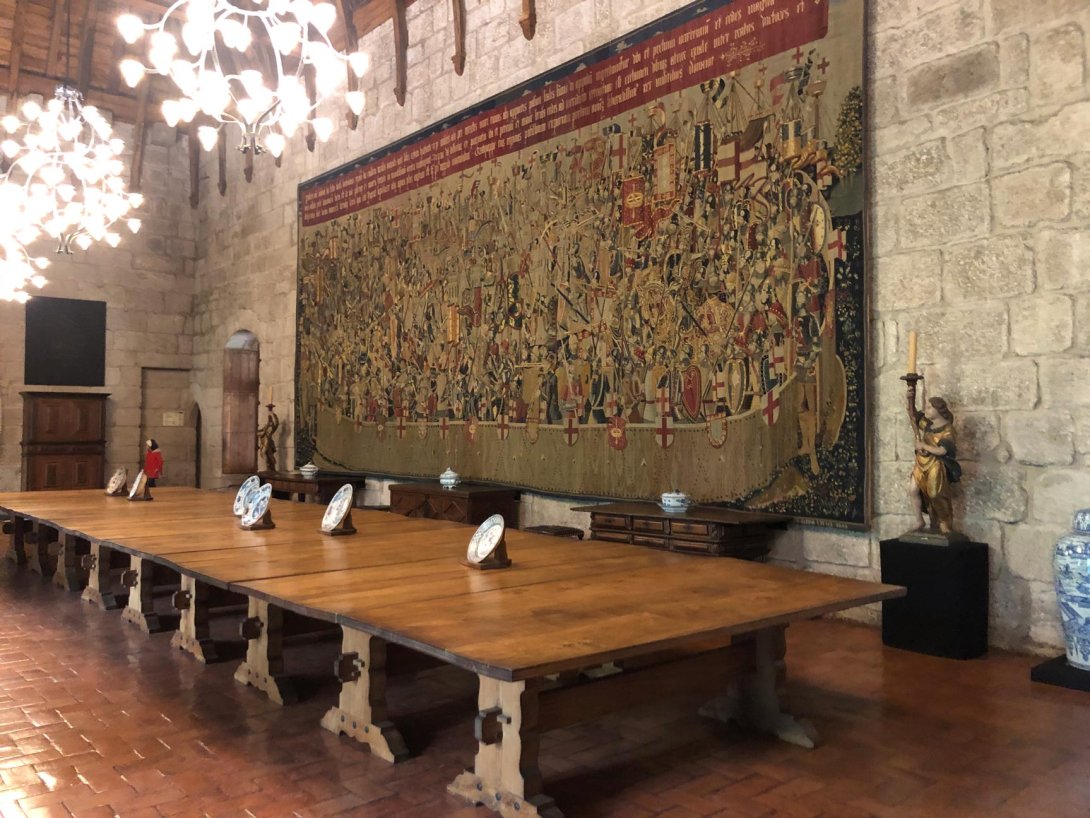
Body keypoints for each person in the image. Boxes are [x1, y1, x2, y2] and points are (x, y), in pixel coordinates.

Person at [907, 394, 961, 534]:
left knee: (935, 494)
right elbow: (912, 415)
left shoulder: (947, 429)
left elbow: (943, 450)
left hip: (936, 465)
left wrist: (924, 446)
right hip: (921, 463)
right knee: (913, 490)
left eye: (930, 407)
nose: (927, 409)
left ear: (938, 410)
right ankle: (919, 520)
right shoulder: (928, 424)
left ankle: (944, 522)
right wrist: (910, 397)